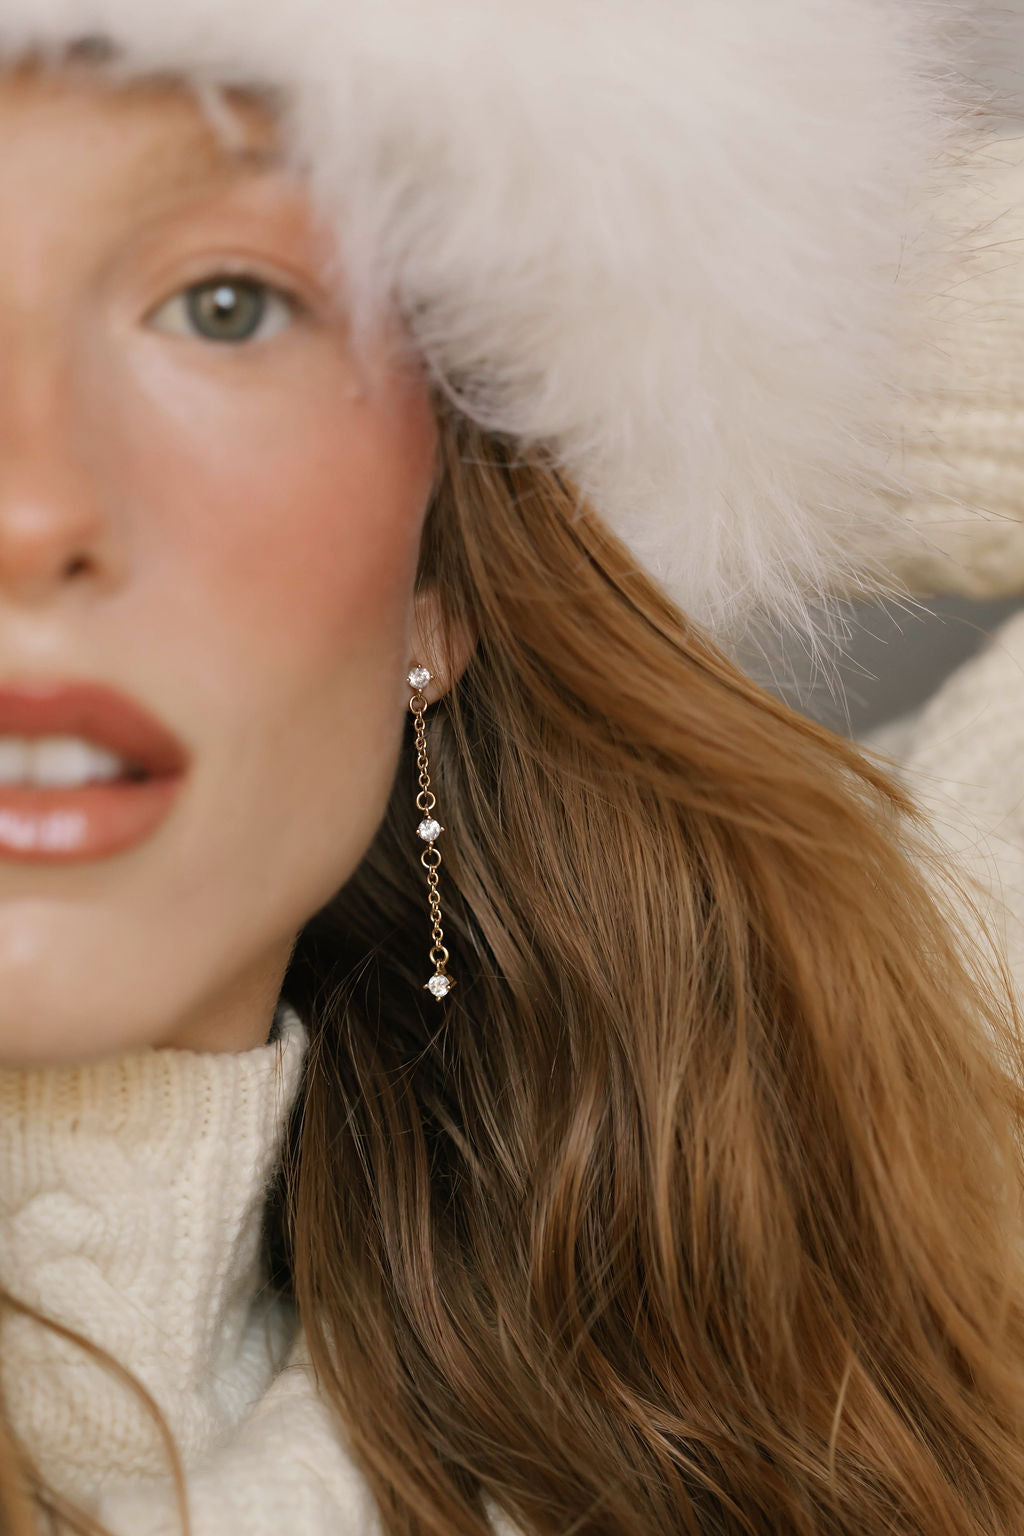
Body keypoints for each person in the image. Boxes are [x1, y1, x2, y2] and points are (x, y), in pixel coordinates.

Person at [0, 7, 1022, 1536]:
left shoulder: (822, 1210)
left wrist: (679, 340)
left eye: (226, 306)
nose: (30, 515)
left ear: (440, 584)